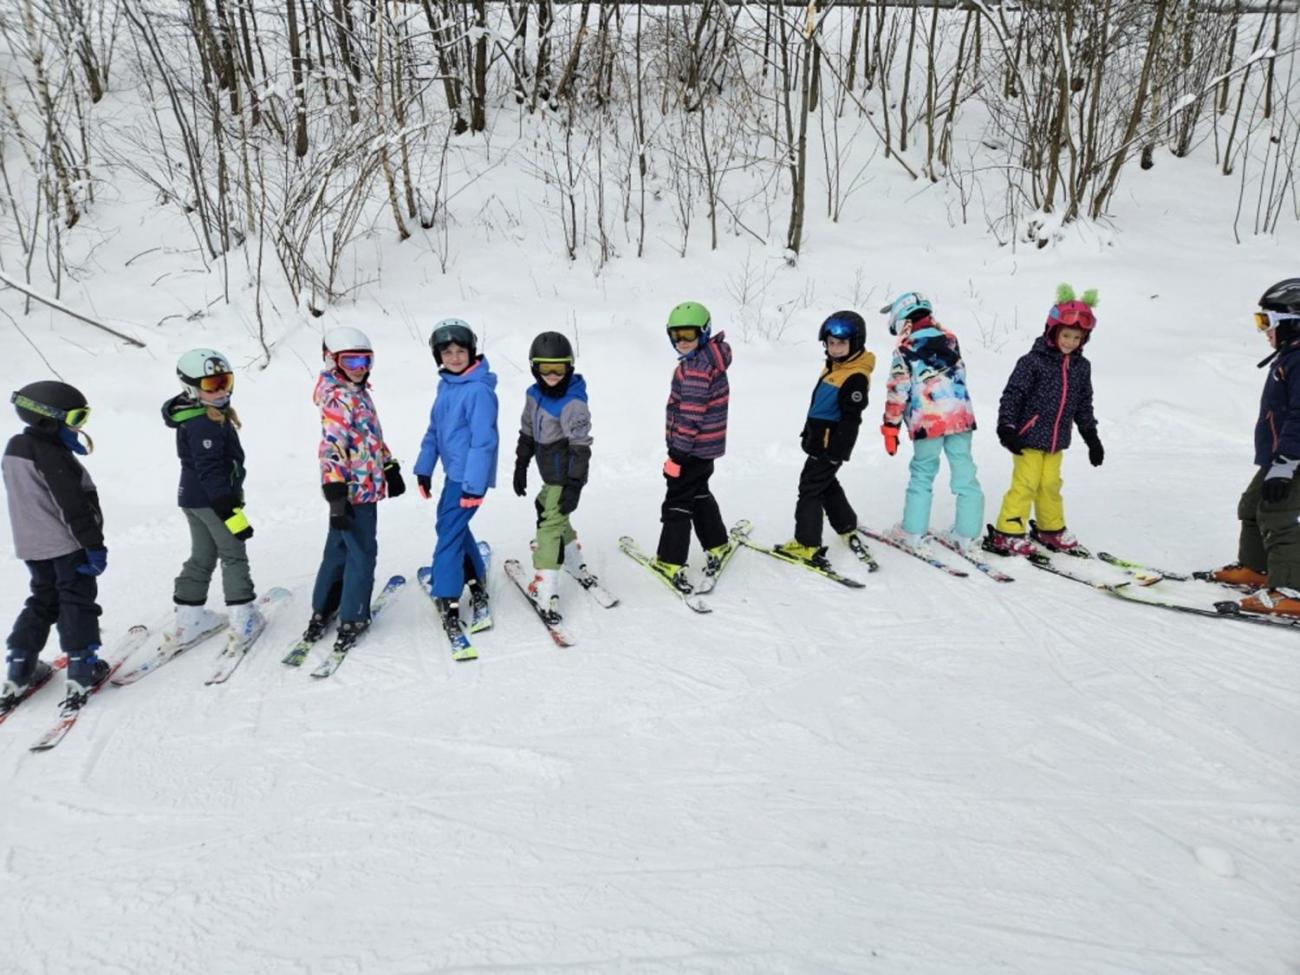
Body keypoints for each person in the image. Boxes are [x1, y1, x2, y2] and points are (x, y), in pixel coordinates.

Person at [2, 381, 108, 708]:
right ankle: (82, 667)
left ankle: (20, 666)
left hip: (32, 546)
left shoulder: (16, 447)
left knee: (43, 599)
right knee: (76, 598)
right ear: (49, 418)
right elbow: (72, 505)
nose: (78, 427)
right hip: (67, 544)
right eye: (75, 418)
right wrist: (93, 545)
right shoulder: (50, 453)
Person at [304, 327, 405, 650]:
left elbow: (369, 437)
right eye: (351, 360)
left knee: (338, 549)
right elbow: (331, 446)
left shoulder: (356, 391)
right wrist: (335, 493)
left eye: (365, 359)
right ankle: (353, 615)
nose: (360, 367)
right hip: (354, 492)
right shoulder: (340, 397)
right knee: (362, 552)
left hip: (361, 486)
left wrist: (389, 465)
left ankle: (324, 607)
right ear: (333, 361)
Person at [984, 285, 1103, 557]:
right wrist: (1007, 427)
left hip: (1056, 441)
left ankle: (1050, 528)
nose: (1070, 342)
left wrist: (1092, 438)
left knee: (1050, 485)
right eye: (1066, 335)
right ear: (1053, 332)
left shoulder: (1081, 368)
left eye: (1076, 337)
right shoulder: (1032, 362)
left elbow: (1084, 405)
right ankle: (1008, 531)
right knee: (1025, 484)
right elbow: (1012, 395)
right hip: (1026, 438)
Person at [1209, 278, 1300, 616]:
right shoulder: (1289, 357)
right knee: (1252, 506)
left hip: (1293, 458)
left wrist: (1286, 462)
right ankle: (1256, 569)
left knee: (1280, 516)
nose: (1263, 330)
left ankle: (1291, 590)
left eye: (1267, 322)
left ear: (1292, 323)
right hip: (1281, 457)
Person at [162, 349, 263, 648]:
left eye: (225, 381)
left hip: (192, 499)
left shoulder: (200, 415)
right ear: (191, 388)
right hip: (212, 500)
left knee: (203, 554)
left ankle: (190, 619)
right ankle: (243, 618)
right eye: (211, 385)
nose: (221, 390)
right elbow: (210, 471)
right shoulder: (202, 423)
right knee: (233, 553)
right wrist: (231, 512)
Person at [879, 292, 984, 553]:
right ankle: (967, 535)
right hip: (960, 418)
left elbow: (898, 389)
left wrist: (890, 426)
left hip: (928, 423)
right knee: (965, 473)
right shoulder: (950, 340)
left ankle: (913, 532)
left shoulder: (905, 350)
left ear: (903, 320)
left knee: (923, 473)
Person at [414, 319, 499, 629]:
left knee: (448, 532)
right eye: (447, 352)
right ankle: (475, 574)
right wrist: (425, 467)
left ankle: (448, 594)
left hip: (469, 480)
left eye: (460, 351)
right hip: (455, 475)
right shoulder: (448, 385)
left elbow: (483, 441)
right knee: (450, 525)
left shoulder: (478, 391)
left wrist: (474, 487)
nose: (454, 357)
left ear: (471, 352)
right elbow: (435, 431)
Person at [775, 311, 874, 565]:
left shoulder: (855, 377)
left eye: (841, 343)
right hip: (822, 441)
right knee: (826, 483)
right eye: (831, 343)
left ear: (856, 343)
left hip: (830, 446)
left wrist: (835, 452)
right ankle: (846, 523)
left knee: (809, 488)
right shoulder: (837, 367)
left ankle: (807, 543)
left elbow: (851, 420)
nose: (835, 348)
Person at [650, 301, 735, 590]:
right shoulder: (709, 360)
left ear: (704, 332)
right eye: (676, 336)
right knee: (699, 494)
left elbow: (690, 415)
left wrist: (677, 454)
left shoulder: (698, 368)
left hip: (690, 449)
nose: (682, 342)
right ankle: (717, 543)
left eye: (688, 335)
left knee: (677, 502)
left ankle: (670, 560)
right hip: (705, 449)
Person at [512, 331, 592, 619]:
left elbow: (581, 448)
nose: (552, 375)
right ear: (535, 368)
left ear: (569, 367)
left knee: (549, 523)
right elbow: (527, 431)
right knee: (548, 508)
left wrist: (574, 485)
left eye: (559, 368)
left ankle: (546, 588)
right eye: (546, 369)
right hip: (549, 473)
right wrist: (521, 465)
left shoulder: (573, 403)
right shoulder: (534, 394)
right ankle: (572, 559)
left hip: (564, 475)